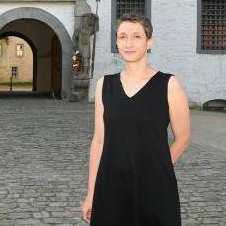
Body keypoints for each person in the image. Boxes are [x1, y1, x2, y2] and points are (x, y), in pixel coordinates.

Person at [81, 12, 190, 225]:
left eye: (137, 36)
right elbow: (99, 141)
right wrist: (91, 194)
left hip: (153, 187)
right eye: (122, 37)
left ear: (149, 42)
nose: (129, 43)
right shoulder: (105, 85)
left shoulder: (169, 85)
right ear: (116, 42)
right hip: (110, 185)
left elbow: (182, 139)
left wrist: (155, 172)